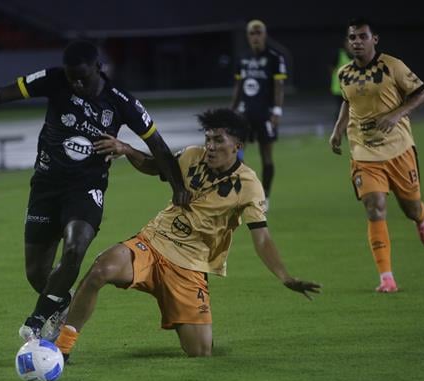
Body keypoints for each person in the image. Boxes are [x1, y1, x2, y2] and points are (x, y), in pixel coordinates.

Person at [0, 40, 191, 340]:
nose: (76, 83)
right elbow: (1, 93)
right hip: (46, 185)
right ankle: (62, 304)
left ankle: (37, 321)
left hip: (86, 187)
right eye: (71, 77)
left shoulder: (120, 101)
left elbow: (157, 145)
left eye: (82, 77)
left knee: (75, 248)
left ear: (98, 69)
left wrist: (178, 186)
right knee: (38, 274)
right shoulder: (54, 79)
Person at [56, 108, 321, 360]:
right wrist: (126, 149)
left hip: (190, 267)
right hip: (153, 242)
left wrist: (285, 277)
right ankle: (61, 348)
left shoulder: (249, 186)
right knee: (101, 269)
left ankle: (192, 319)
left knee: (200, 352)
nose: (211, 146)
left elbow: (261, 237)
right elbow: (154, 165)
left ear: (237, 146)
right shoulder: (192, 155)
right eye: (208, 139)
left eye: (219, 140)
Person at [329, 18, 424, 293]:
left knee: (410, 207)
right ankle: (386, 277)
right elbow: (347, 102)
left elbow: (423, 96)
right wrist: (338, 130)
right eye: (352, 37)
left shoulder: (393, 66)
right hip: (364, 151)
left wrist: (396, 114)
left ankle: (421, 218)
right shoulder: (344, 74)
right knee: (374, 206)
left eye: (362, 37)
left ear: (374, 39)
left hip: (398, 149)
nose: (357, 42)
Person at [230, 19, 287, 210]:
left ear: (265, 34)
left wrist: (277, 111)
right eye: (252, 33)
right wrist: (232, 111)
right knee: (236, 154)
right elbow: (238, 87)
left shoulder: (275, 58)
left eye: (259, 32)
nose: (255, 36)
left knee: (267, 157)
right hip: (245, 114)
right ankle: (249, 191)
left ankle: (266, 197)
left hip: (265, 114)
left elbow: (279, 86)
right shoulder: (243, 58)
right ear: (248, 36)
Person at [329, 39, 352, 121]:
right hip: (338, 88)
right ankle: (338, 128)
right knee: (341, 109)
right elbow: (331, 68)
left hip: (351, 88)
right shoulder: (339, 54)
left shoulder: (357, 55)